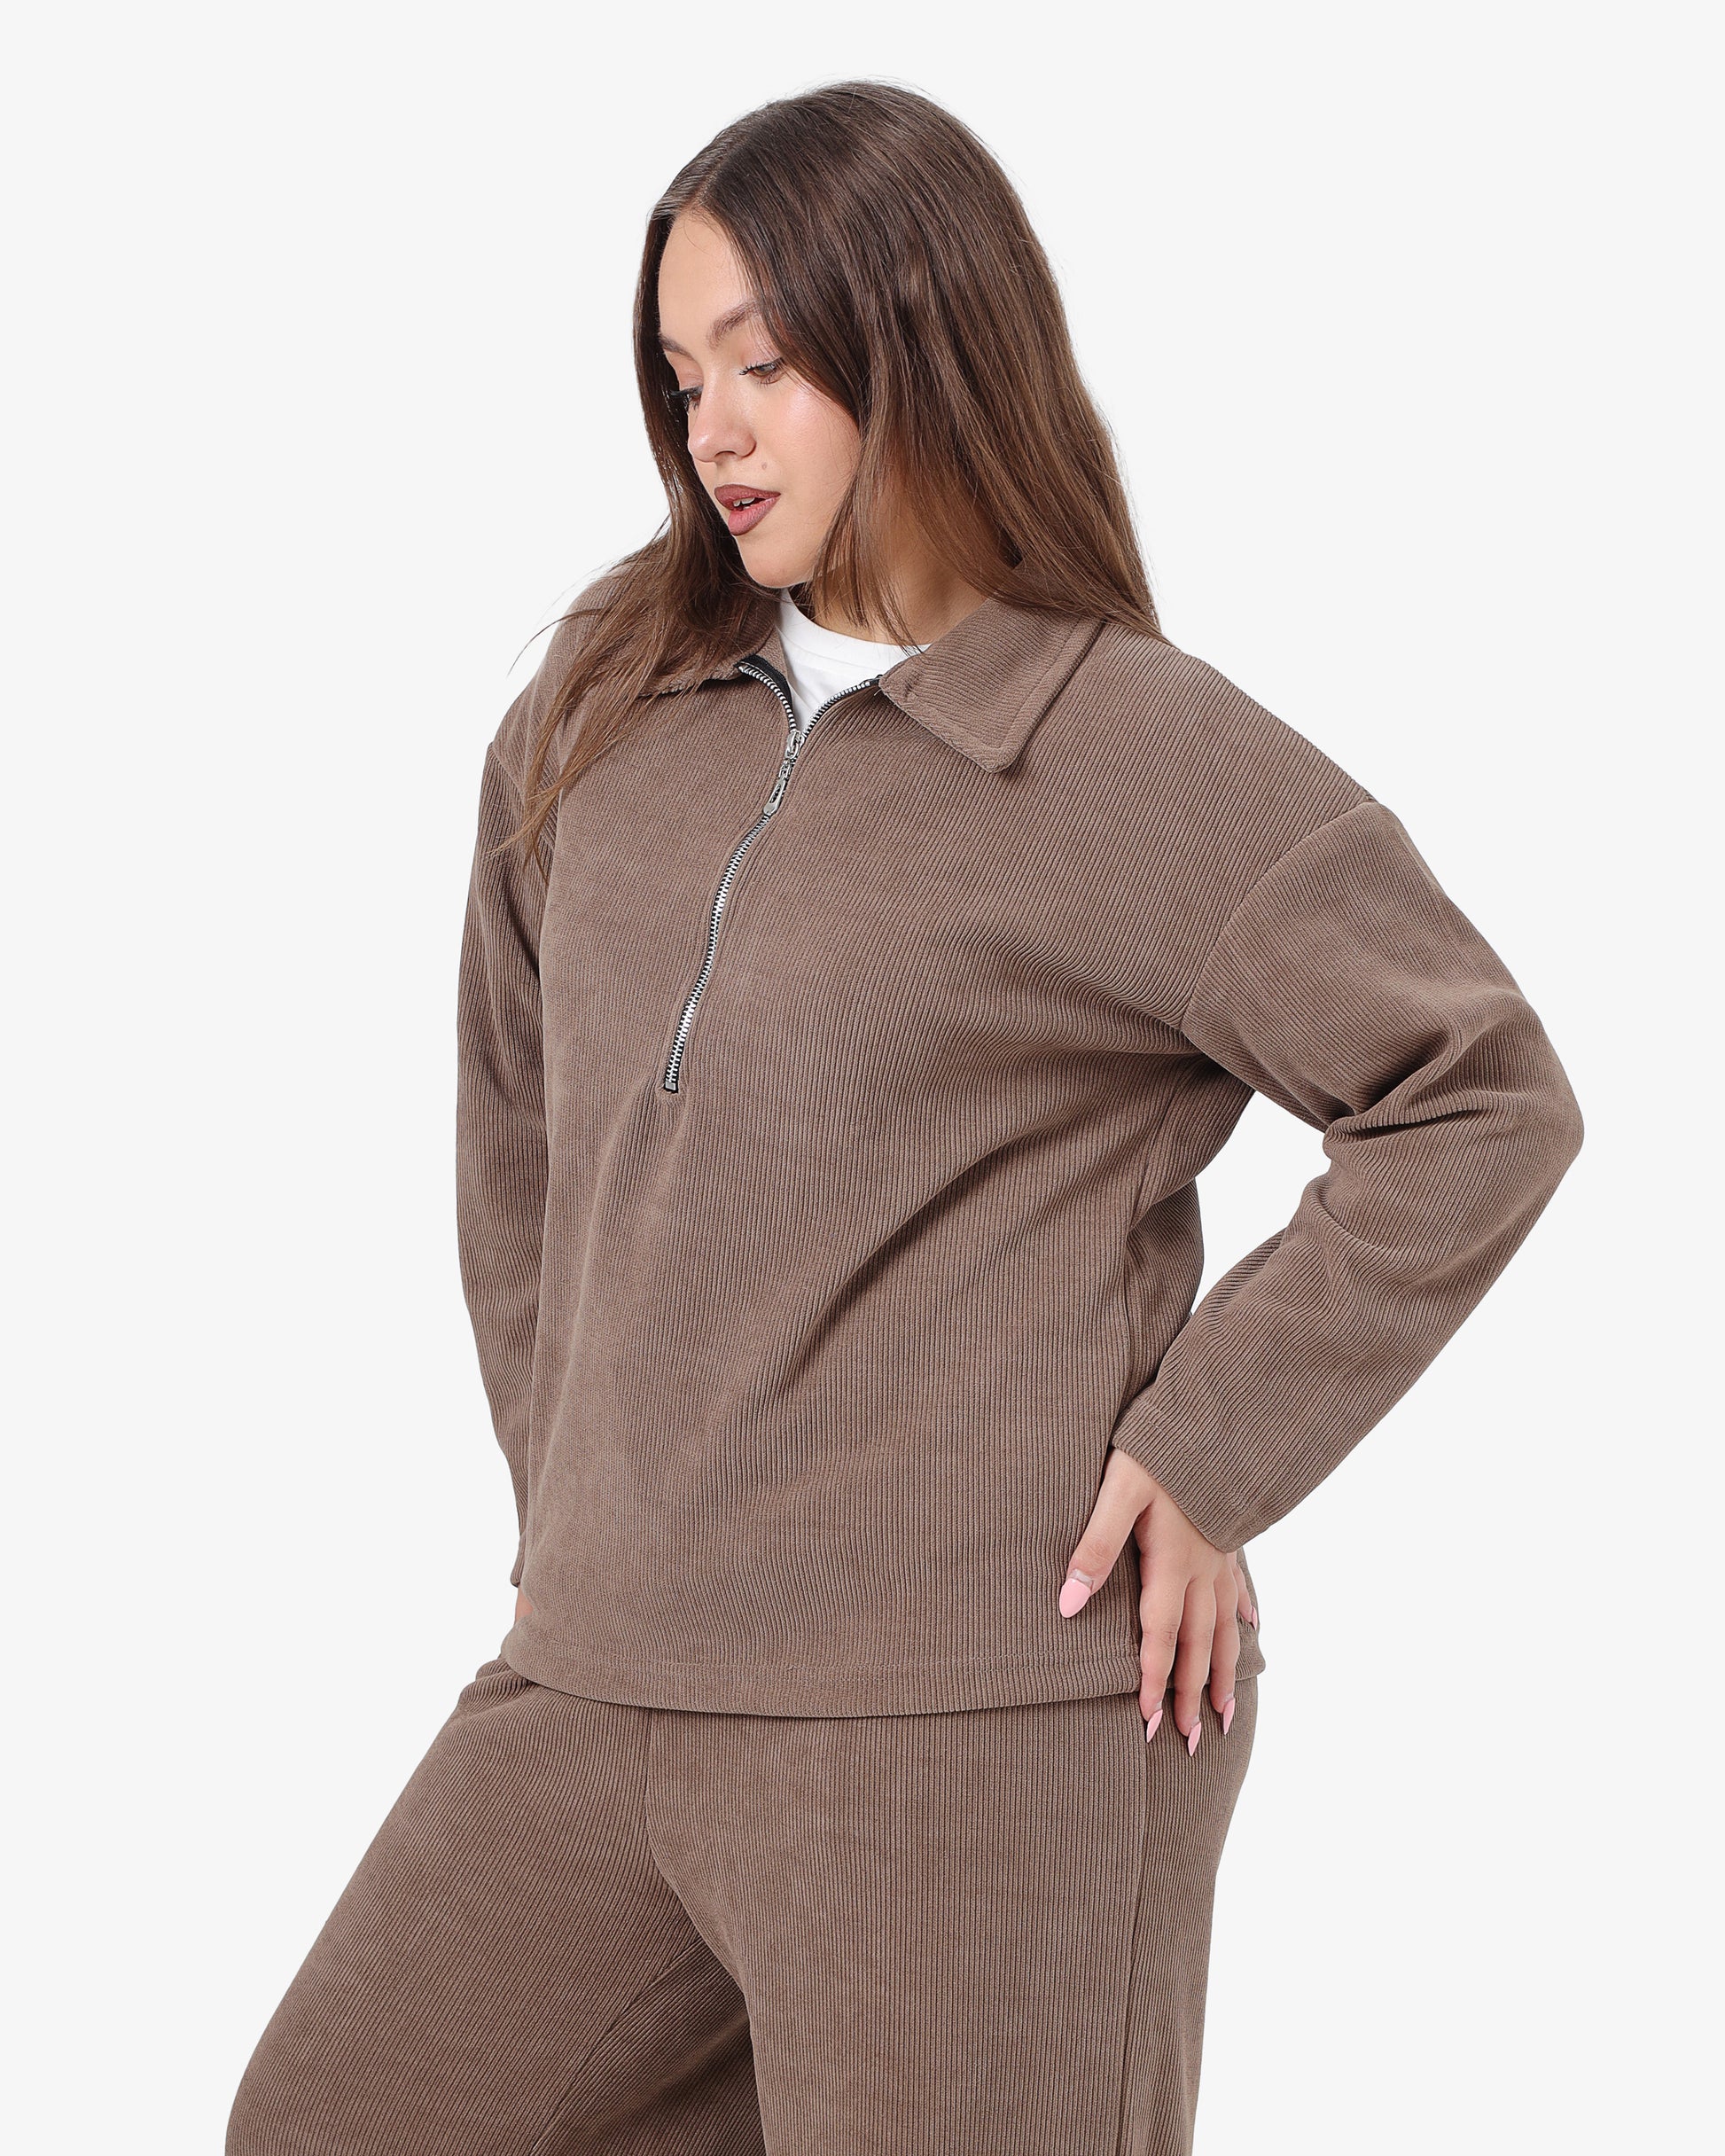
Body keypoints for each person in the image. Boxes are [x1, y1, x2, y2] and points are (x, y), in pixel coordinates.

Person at [226, 80, 1584, 2156]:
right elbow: (518, 1137)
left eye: (765, 363)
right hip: (600, 1666)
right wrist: (572, 1516)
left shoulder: (1132, 751)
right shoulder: (602, 709)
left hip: (974, 1708)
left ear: (923, 340)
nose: (714, 427)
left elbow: (1474, 1092)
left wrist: (1210, 1447)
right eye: (681, 376)